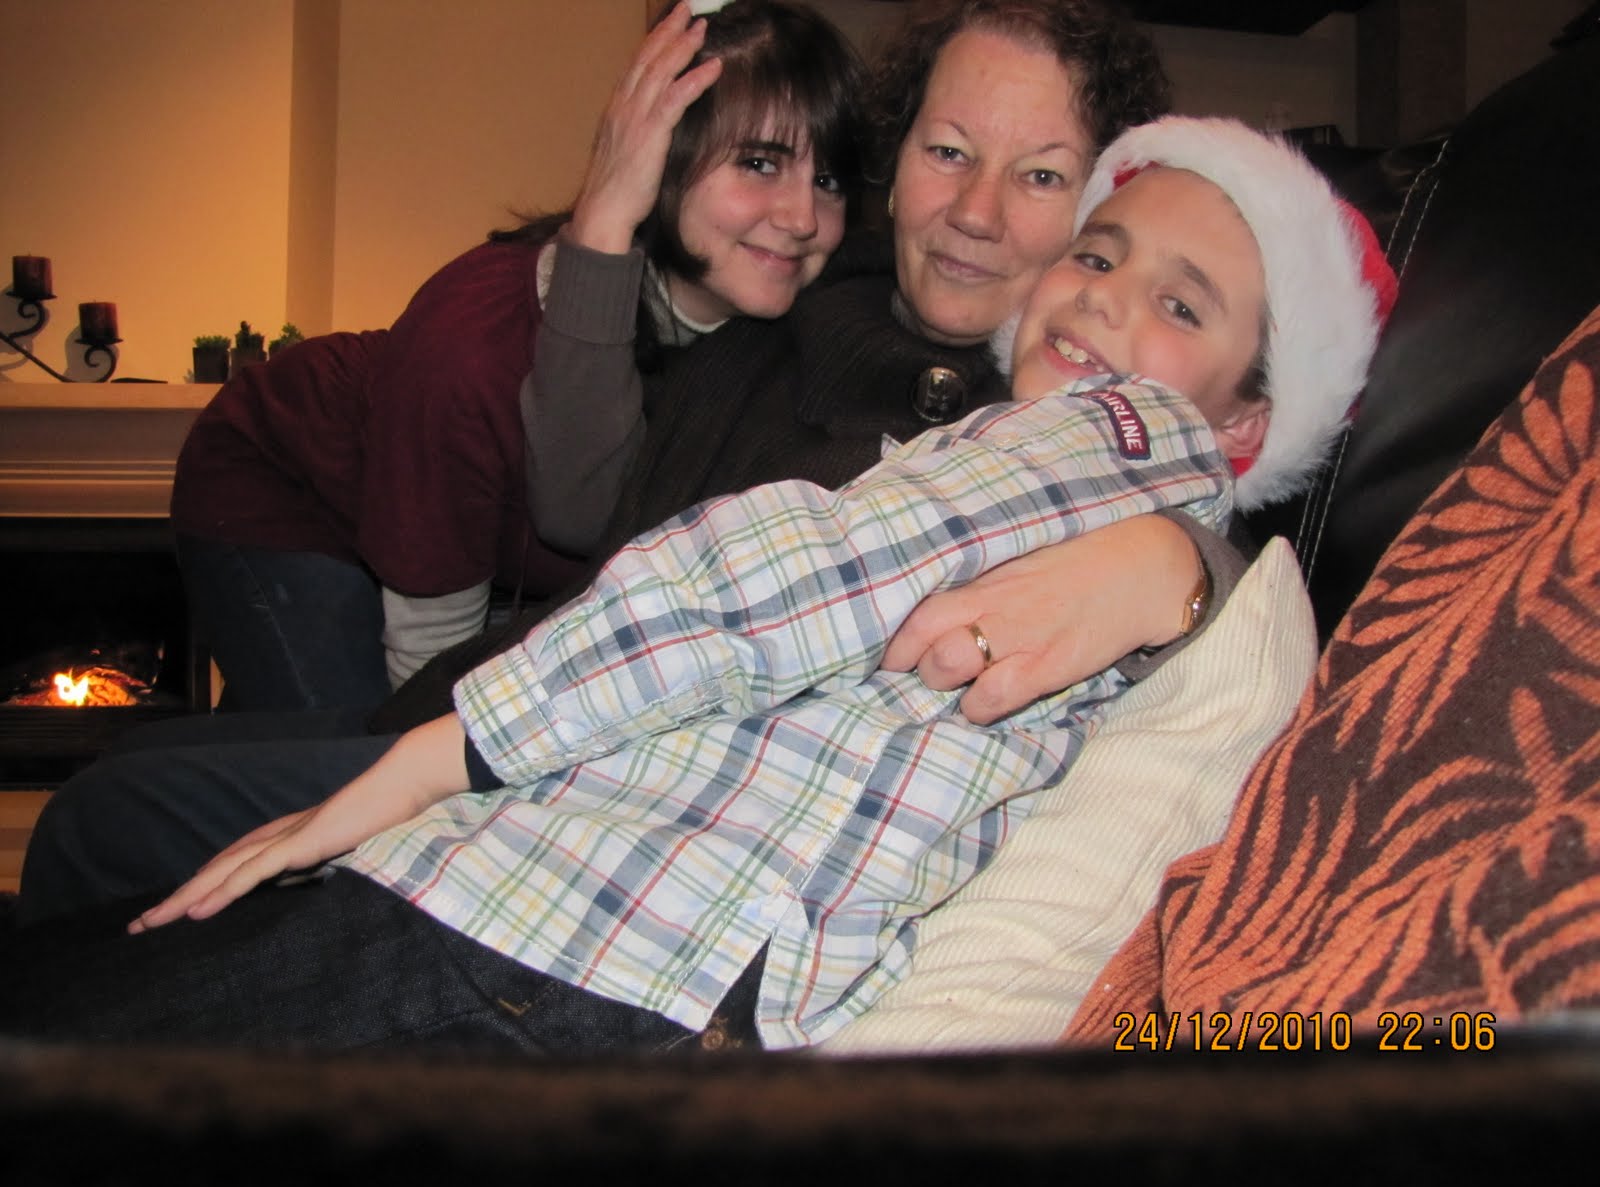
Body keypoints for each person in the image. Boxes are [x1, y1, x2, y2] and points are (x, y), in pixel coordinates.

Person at [1, 117, 1398, 1055]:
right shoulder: (858, 346)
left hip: (587, 918)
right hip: (637, 930)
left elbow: (781, 580)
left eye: (1179, 303)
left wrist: (441, 759)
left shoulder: (1110, 434)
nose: (1102, 296)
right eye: (1099, 253)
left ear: (1248, 426)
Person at [14, 0, 1208, 923]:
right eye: (947, 152)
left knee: (110, 817)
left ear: (1102, 203)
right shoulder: (795, 298)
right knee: (140, 756)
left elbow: (1200, 481)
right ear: (895, 168)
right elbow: (584, 502)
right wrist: (606, 217)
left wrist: (1182, 560)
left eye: (1041, 175)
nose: (977, 213)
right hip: (456, 663)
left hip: (570, 784)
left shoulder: (1049, 413)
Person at [168, 0, 861, 711]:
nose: (802, 217)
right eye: (758, 163)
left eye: (828, 180)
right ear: (661, 164)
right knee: (346, 746)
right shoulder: (473, 342)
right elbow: (431, 663)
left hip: (457, 544)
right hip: (284, 483)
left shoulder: (766, 334)